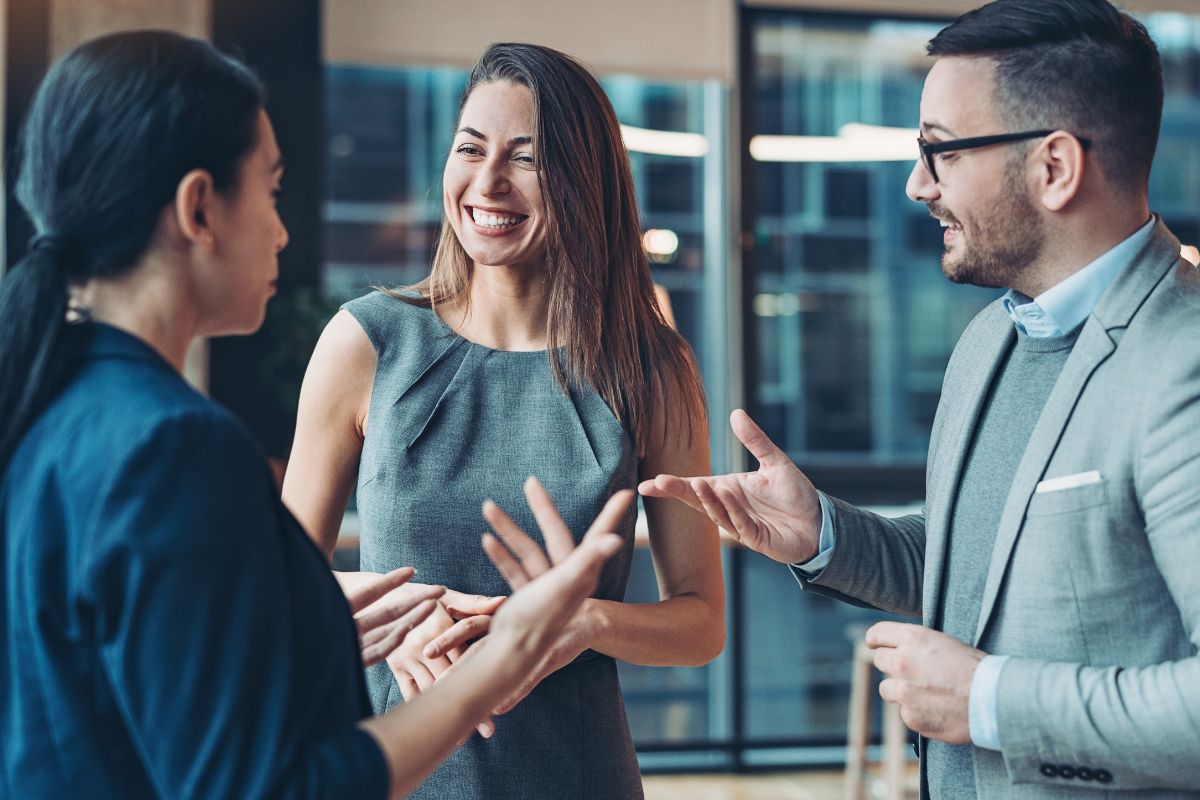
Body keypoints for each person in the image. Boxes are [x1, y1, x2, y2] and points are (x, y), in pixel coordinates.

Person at [0, 30, 630, 799]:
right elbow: (266, 786)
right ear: (200, 208)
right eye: (270, 192)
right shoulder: (175, 444)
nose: (282, 230)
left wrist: (323, 623)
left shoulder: (48, 404)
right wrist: (506, 657)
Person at [643, 1, 1200, 796]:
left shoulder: (1186, 360)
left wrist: (990, 702)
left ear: (1055, 168)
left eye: (940, 152)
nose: (916, 185)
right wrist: (824, 534)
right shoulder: (985, 346)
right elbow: (982, 571)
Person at [282, 42, 725, 799]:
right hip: (394, 773)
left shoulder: (651, 367)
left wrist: (584, 622)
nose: (488, 183)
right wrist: (392, 622)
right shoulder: (365, 343)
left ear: (585, 182)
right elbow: (276, 594)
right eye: (470, 149)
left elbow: (702, 622)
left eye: (526, 159)